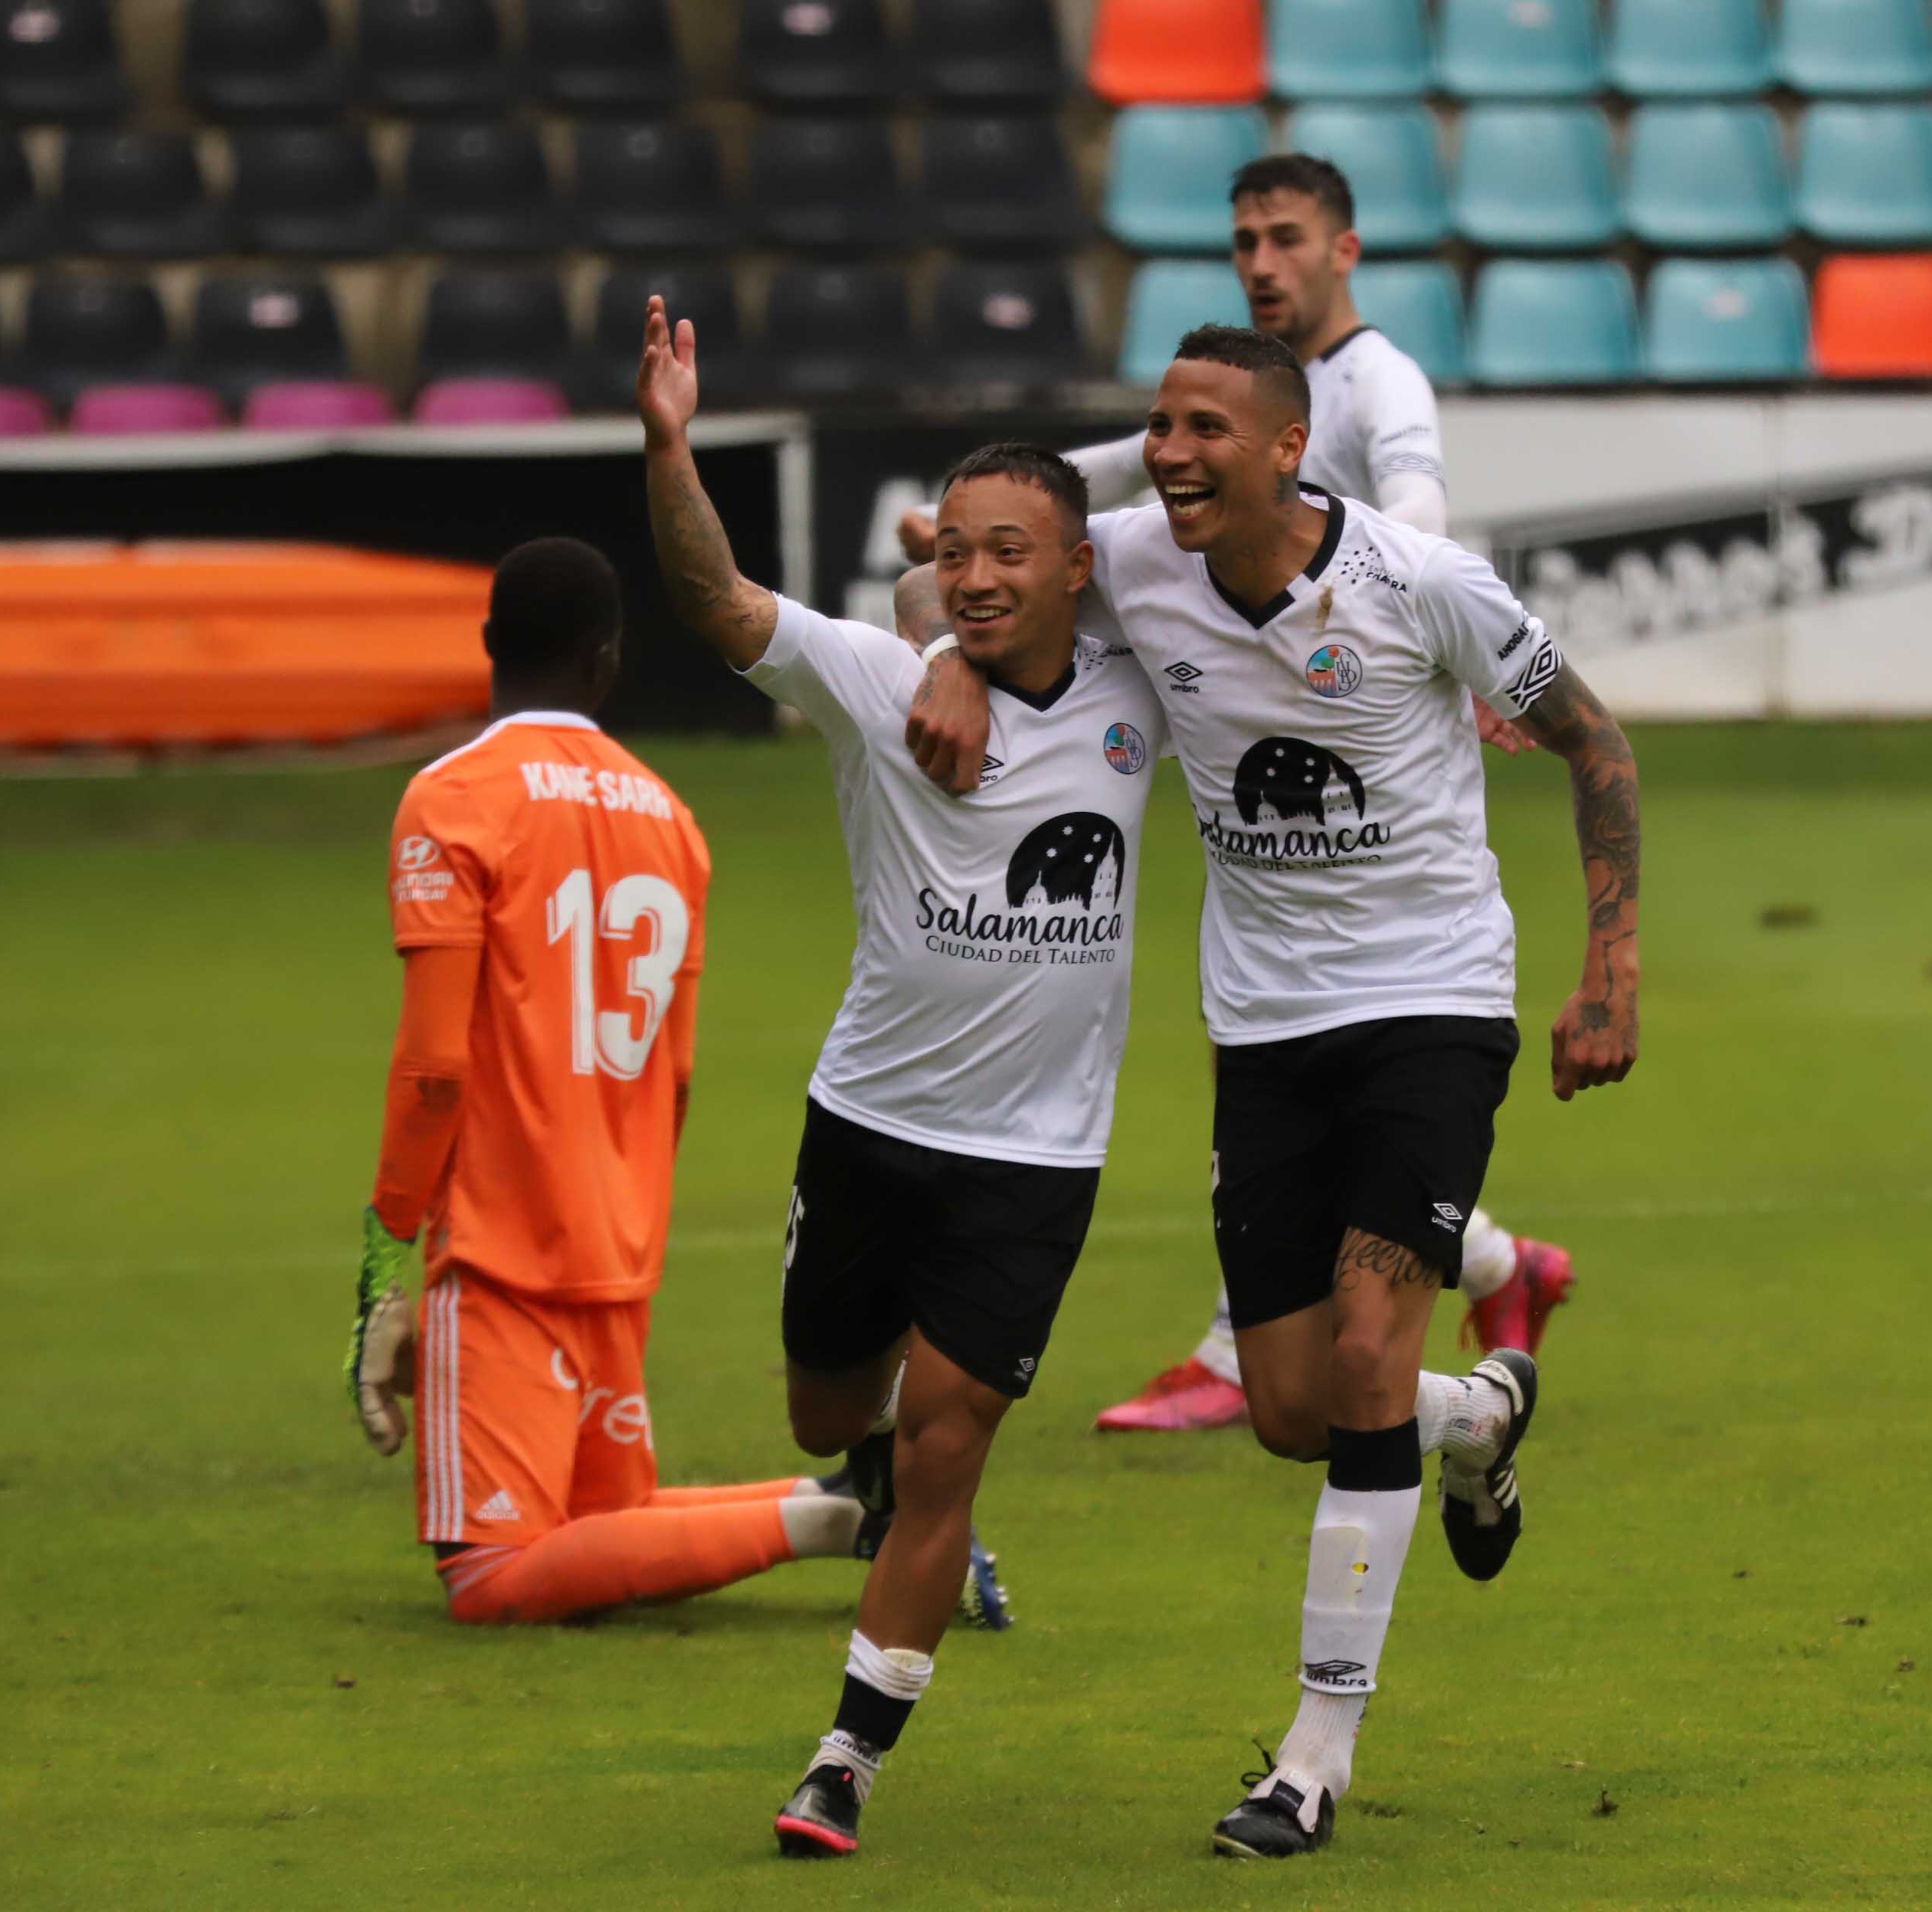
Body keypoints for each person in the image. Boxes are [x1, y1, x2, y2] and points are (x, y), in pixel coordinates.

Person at [892, 326, 1644, 1858]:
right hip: (1263, 1036)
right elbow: (942, 583)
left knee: (1367, 1348)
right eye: (1158, 424)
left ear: (1288, 448)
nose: (1167, 451)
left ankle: (1309, 1757)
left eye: (1203, 428)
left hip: (1432, 1006)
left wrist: (1609, 972)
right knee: (1299, 1413)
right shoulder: (1129, 559)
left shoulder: (1423, 582)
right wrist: (940, 658)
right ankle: (1482, 1421)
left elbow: (1593, 737)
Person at [902, 152, 1577, 1436]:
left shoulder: (1376, 384)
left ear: (1344, 250)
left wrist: (1438, 623)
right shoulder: (1210, 420)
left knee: (1334, 1078)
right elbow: (1111, 467)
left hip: (1365, 721)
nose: (1263, 262)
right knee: (1285, 1054)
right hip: (1241, 730)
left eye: (1286, 237)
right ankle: (1484, 1277)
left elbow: (1419, 509)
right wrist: (981, 537)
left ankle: (1272, 1349)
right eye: (1245, 241)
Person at [632, 297, 1167, 1860]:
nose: (983, 574)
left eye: (1015, 549)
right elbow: (717, 600)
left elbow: (1249, 511)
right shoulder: (880, 675)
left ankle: (847, 1755)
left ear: (1077, 564)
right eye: (959, 553)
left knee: (951, 1434)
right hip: (868, 1122)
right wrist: (669, 443)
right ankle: (861, 1477)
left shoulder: (1151, 686)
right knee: (830, 1411)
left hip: (1038, 1155)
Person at [343, 538, 890, 1628]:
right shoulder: (669, 818)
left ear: (490, 644)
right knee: (606, 1528)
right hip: (619, 1237)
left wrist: (383, 1263)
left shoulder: (452, 802)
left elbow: (435, 1071)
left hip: (504, 1247)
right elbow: (673, 1073)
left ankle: (840, 1522)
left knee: (494, 1571)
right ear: (607, 661)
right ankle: (860, 1502)